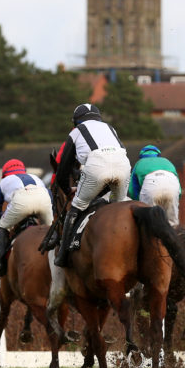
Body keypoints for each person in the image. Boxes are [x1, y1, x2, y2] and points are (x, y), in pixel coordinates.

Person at [53, 103, 130, 268]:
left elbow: (63, 169)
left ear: (76, 121)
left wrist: (67, 190)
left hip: (96, 164)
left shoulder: (76, 132)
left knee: (76, 207)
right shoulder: (110, 128)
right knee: (118, 209)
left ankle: (63, 255)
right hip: (123, 164)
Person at [0, 159, 53, 277]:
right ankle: (61, 257)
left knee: (2, 226)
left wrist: (2, 216)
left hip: (21, 202)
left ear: (5, 174)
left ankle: (3, 263)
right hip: (44, 200)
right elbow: (50, 196)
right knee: (53, 230)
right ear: (23, 171)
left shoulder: (4, 182)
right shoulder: (36, 178)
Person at [128, 145, 181, 226]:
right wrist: (176, 199)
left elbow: (132, 190)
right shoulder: (167, 161)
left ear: (141, 156)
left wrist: (138, 203)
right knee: (173, 225)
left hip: (151, 188)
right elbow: (179, 189)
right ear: (159, 155)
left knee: (149, 224)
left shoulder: (139, 163)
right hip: (172, 188)